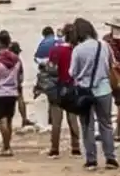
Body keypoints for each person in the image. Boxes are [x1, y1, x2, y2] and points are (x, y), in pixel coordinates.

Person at [70, 18, 119, 171]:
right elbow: (112, 63)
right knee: (106, 124)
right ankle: (110, 158)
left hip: (85, 91)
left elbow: (72, 72)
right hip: (104, 89)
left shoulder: (78, 50)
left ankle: (91, 160)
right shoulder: (104, 45)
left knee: (87, 126)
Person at [46, 23, 81, 158]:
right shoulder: (76, 50)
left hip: (57, 87)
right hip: (72, 86)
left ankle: (54, 148)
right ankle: (76, 147)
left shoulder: (55, 50)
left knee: (56, 121)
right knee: (73, 118)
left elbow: (50, 69)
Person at [0, 31, 23, 156]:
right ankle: (8, 145)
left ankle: (6, 147)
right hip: (12, 92)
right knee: (10, 119)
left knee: (2, 120)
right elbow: (20, 77)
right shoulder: (17, 59)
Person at [102, 17, 120, 141]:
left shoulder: (105, 40)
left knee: (105, 103)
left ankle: (106, 130)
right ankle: (118, 132)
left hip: (108, 75)